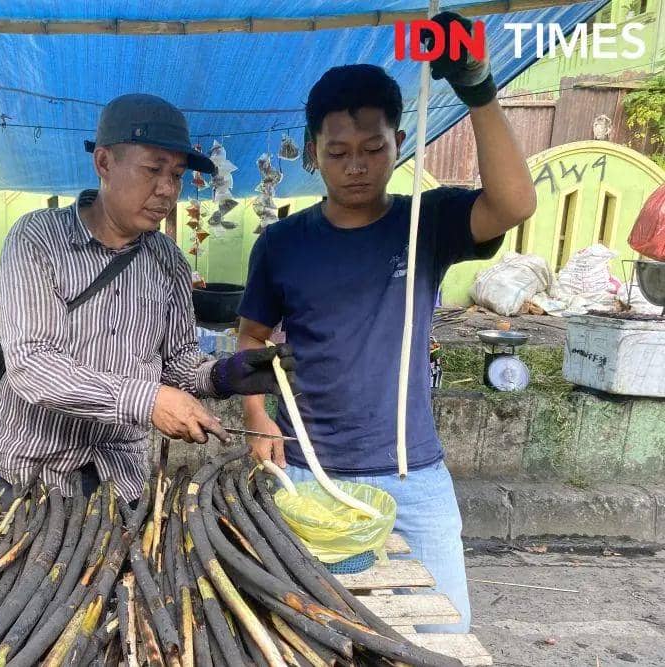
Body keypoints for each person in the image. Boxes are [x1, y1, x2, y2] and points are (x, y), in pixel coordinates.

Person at [237, 13, 537, 633]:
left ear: (400, 142)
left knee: (443, 633)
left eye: (374, 149)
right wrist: (257, 421)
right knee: (309, 633)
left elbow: (513, 204)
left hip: (412, 477)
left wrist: (478, 89)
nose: (356, 166)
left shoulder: (428, 220)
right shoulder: (283, 243)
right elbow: (251, 340)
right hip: (305, 471)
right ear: (312, 149)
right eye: (338, 152)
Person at [0, 93, 295, 504]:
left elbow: (178, 364)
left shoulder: (168, 261)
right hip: (27, 475)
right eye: (153, 169)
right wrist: (147, 399)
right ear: (104, 163)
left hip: (118, 485)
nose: (167, 190)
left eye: (177, 175)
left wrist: (226, 375)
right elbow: (33, 366)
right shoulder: (37, 240)